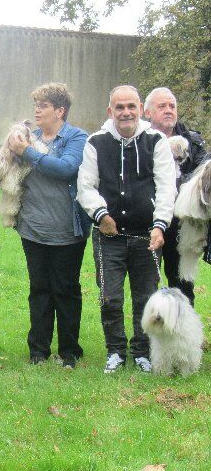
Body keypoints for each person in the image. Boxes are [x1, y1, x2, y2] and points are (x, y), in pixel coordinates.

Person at [77, 85, 176, 373]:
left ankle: (142, 352)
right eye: (119, 107)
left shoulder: (155, 140)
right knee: (110, 297)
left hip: (147, 235)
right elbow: (85, 187)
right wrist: (101, 215)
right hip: (109, 236)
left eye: (131, 106)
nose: (126, 112)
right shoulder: (95, 142)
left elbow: (167, 186)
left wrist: (160, 226)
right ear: (110, 111)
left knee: (146, 298)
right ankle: (116, 351)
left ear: (140, 110)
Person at [7, 83, 89, 369]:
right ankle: (38, 352)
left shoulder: (77, 137)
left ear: (60, 110)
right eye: (36, 105)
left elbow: (66, 168)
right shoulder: (32, 137)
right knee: (39, 289)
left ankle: (69, 352)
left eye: (43, 105)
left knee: (65, 290)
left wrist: (28, 152)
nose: (37, 110)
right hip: (33, 228)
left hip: (68, 230)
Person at [144, 87, 209, 305]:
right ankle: (148, 335)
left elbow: (202, 178)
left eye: (172, 106)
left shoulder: (193, 141)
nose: (169, 110)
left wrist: (171, 181)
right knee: (145, 285)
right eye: (162, 106)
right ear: (148, 113)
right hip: (146, 221)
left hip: (182, 225)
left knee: (181, 285)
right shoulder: (140, 141)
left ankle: (186, 336)